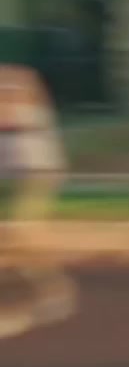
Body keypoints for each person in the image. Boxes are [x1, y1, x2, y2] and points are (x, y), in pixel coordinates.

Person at [0, 64, 72, 338]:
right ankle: (49, 293)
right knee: (20, 238)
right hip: (22, 174)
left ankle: (52, 293)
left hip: (35, 173)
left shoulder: (25, 114)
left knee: (24, 235)